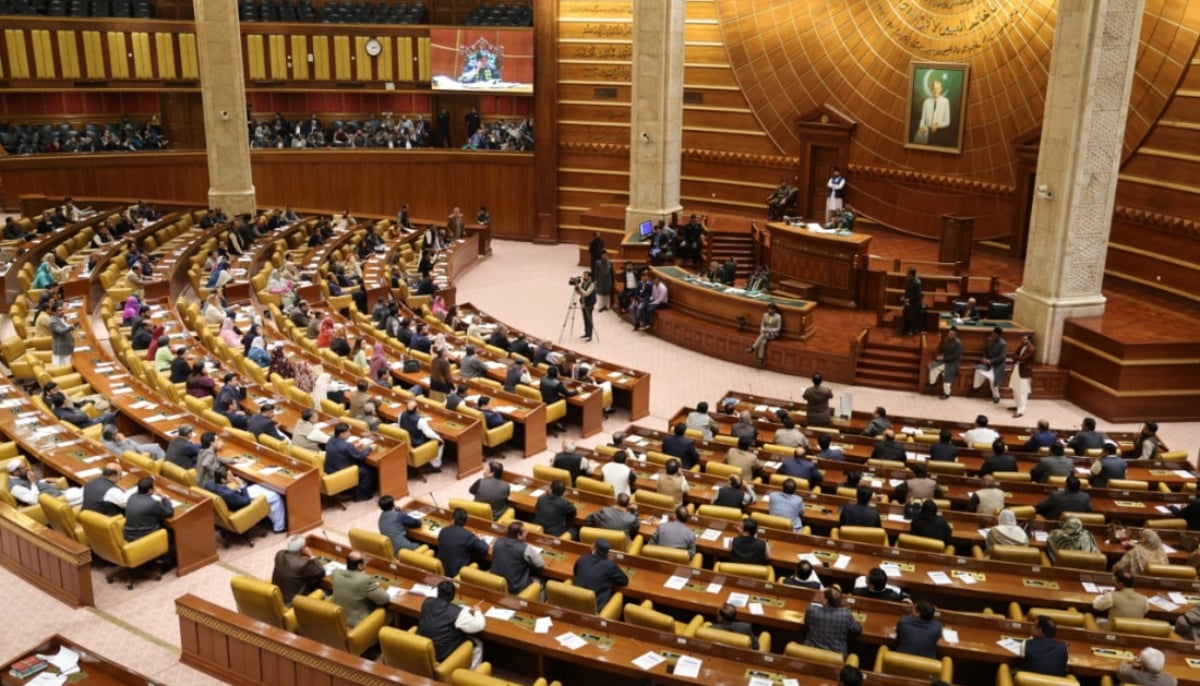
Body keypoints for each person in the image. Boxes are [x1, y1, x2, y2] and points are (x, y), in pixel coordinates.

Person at [123, 476, 175, 568]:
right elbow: (169, 512)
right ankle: (165, 564)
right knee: (171, 533)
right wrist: (163, 496)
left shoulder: (132, 497)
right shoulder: (152, 503)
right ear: (150, 490)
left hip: (129, 535)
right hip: (144, 536)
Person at [331, 550, 390, 628]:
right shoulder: (365, 580)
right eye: (365, 562)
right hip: (358, 624)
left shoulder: (336, 573)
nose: (366, 563)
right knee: (389, 614)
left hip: (339, 619)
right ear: (359, 566)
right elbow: (384, 599)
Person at [325, 422, 376, 502]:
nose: (350, 434)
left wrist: (353, 447)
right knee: (367, 471)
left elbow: (341, 450)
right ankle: (361, 495)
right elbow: (360, 457)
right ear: (342, 434)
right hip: (341, 471)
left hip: (330, 469)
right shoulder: (347, 445)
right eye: (348, 432)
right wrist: (369, 448)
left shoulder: (331, 440)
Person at [803, 586, 861, 656]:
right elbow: (857, 631)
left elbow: (806, 625)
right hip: (836, 656)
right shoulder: (846, 614)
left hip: (810, 652)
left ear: (826, 600)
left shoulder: (812, 609)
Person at [573, 538, 628, 609]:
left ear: (594, 548)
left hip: (575, 602)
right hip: (595, 608)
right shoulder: (610, 566)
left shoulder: (582, 559)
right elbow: (624, 581)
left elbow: (575, 572)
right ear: (607, 553)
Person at [491, 521, 544, 595]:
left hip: (495, 582)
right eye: (525, 531)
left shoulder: (498, 541)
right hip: (515, 587)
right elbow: (540, 564)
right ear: (519, 535)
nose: (527, 532)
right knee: (541, 581)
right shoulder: (525, 548)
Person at [272, 534, 325, 605]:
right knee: (324, 592)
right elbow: (321, 572)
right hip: (293, 603)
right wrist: (312, 556)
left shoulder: (279, 554)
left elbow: (287, 552)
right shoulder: (303, 564)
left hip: (279, 598)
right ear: (302, 549)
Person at [7, 458, 82, 507]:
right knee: (88, 492)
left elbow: (31, 486)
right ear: (15, 471)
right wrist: (33, 482)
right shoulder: (16, 488)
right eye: (23, 468)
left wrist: (45, 480)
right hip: (57, 501)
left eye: (26, 466)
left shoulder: (22, 477)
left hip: (61, 493)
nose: (27, 469)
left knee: (81, 490)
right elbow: (33, 500)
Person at [437, 507, 489, 577]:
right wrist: (481, 539)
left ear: (453, 519)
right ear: (465, 522)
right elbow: (484, 549)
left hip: (441, 570)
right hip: (458, 574)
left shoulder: (443, 531)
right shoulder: (467, 535)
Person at [399, 400, 444, 473]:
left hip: (407, 443)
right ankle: (435, 466)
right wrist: (439, 438)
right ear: (417, 409)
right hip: (417, 444)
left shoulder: (401, 415)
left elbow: (400, 427)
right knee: (440, 442)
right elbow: (429, 433)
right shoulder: (420, 421)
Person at [971, 327, 1008, 404]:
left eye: (994, 335)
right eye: (992, 334)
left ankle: (996, 396)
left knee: (993, 380)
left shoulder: (1003, 344)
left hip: (998, 366)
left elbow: (1002, 357)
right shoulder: (990, 340)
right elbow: (986, 351)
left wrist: (990, 361)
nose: (992, 336)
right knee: (978, 370)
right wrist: (984, 358)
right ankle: (976, 387)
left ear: (999, 336)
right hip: (988, 364)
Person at [926, 326, 961, 399]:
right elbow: (945, 351)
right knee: (933, 368)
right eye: (949, 333)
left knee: (947, 378)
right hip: (945, 361)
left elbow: (955, 357)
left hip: (952, 363)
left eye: (951, 334)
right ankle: (932, 383)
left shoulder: (958, 343)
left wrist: (943, 358)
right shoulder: (947, 340)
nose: (949, 335)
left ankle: (946, 394)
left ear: (955, 335)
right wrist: (941, 356)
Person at [915, 78, 951, 146]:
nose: (936, 91)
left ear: (941, 89)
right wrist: (921, 127)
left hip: (939, 134)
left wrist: (937, 125)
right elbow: (923, 119)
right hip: (926, 132)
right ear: (932, 89)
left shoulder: (945, 101)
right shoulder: (926, 101)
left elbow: (947, 121)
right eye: (934, 88)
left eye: (938, 88)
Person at [1009, 333, 1036, 417]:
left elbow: (1023, 358)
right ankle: (1017, 405)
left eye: (1024, 339)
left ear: (1029, 340)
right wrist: (1015, 357)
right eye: (1022, 339)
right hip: (1017, 368)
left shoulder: (1032, 349)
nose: (1022, 340)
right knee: (1015, 388)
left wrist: (1015, 357)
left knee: (1022, 391)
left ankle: (1021, 410)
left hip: (1024, 371)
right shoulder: (1021, 346)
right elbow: (1014, 355)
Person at [573, 270, 597, 342]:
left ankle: (590, 335)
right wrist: (577, 289)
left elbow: (586, 293)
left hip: (589, 303)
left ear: (589, 277)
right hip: (583, 303)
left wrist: (579, 288)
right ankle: (586, 332)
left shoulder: (592, 284)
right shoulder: (583, 283)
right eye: (584, 275)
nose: (584, 277)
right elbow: (580, 293)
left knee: (589, 318)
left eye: (586, 276)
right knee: (585, 318)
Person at [900, 268, 922, 336]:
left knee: (912, 317)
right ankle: (905, 329)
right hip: (908, 301)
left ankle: (912, 331)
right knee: (905, 315)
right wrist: (904, 296)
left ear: (911, 274)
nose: (907, 274)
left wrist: (909, 299)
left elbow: (918, 295)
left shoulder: (917, 282)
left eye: (908, 273)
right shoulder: (908, 280)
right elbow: (907, 291)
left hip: (914, 303)